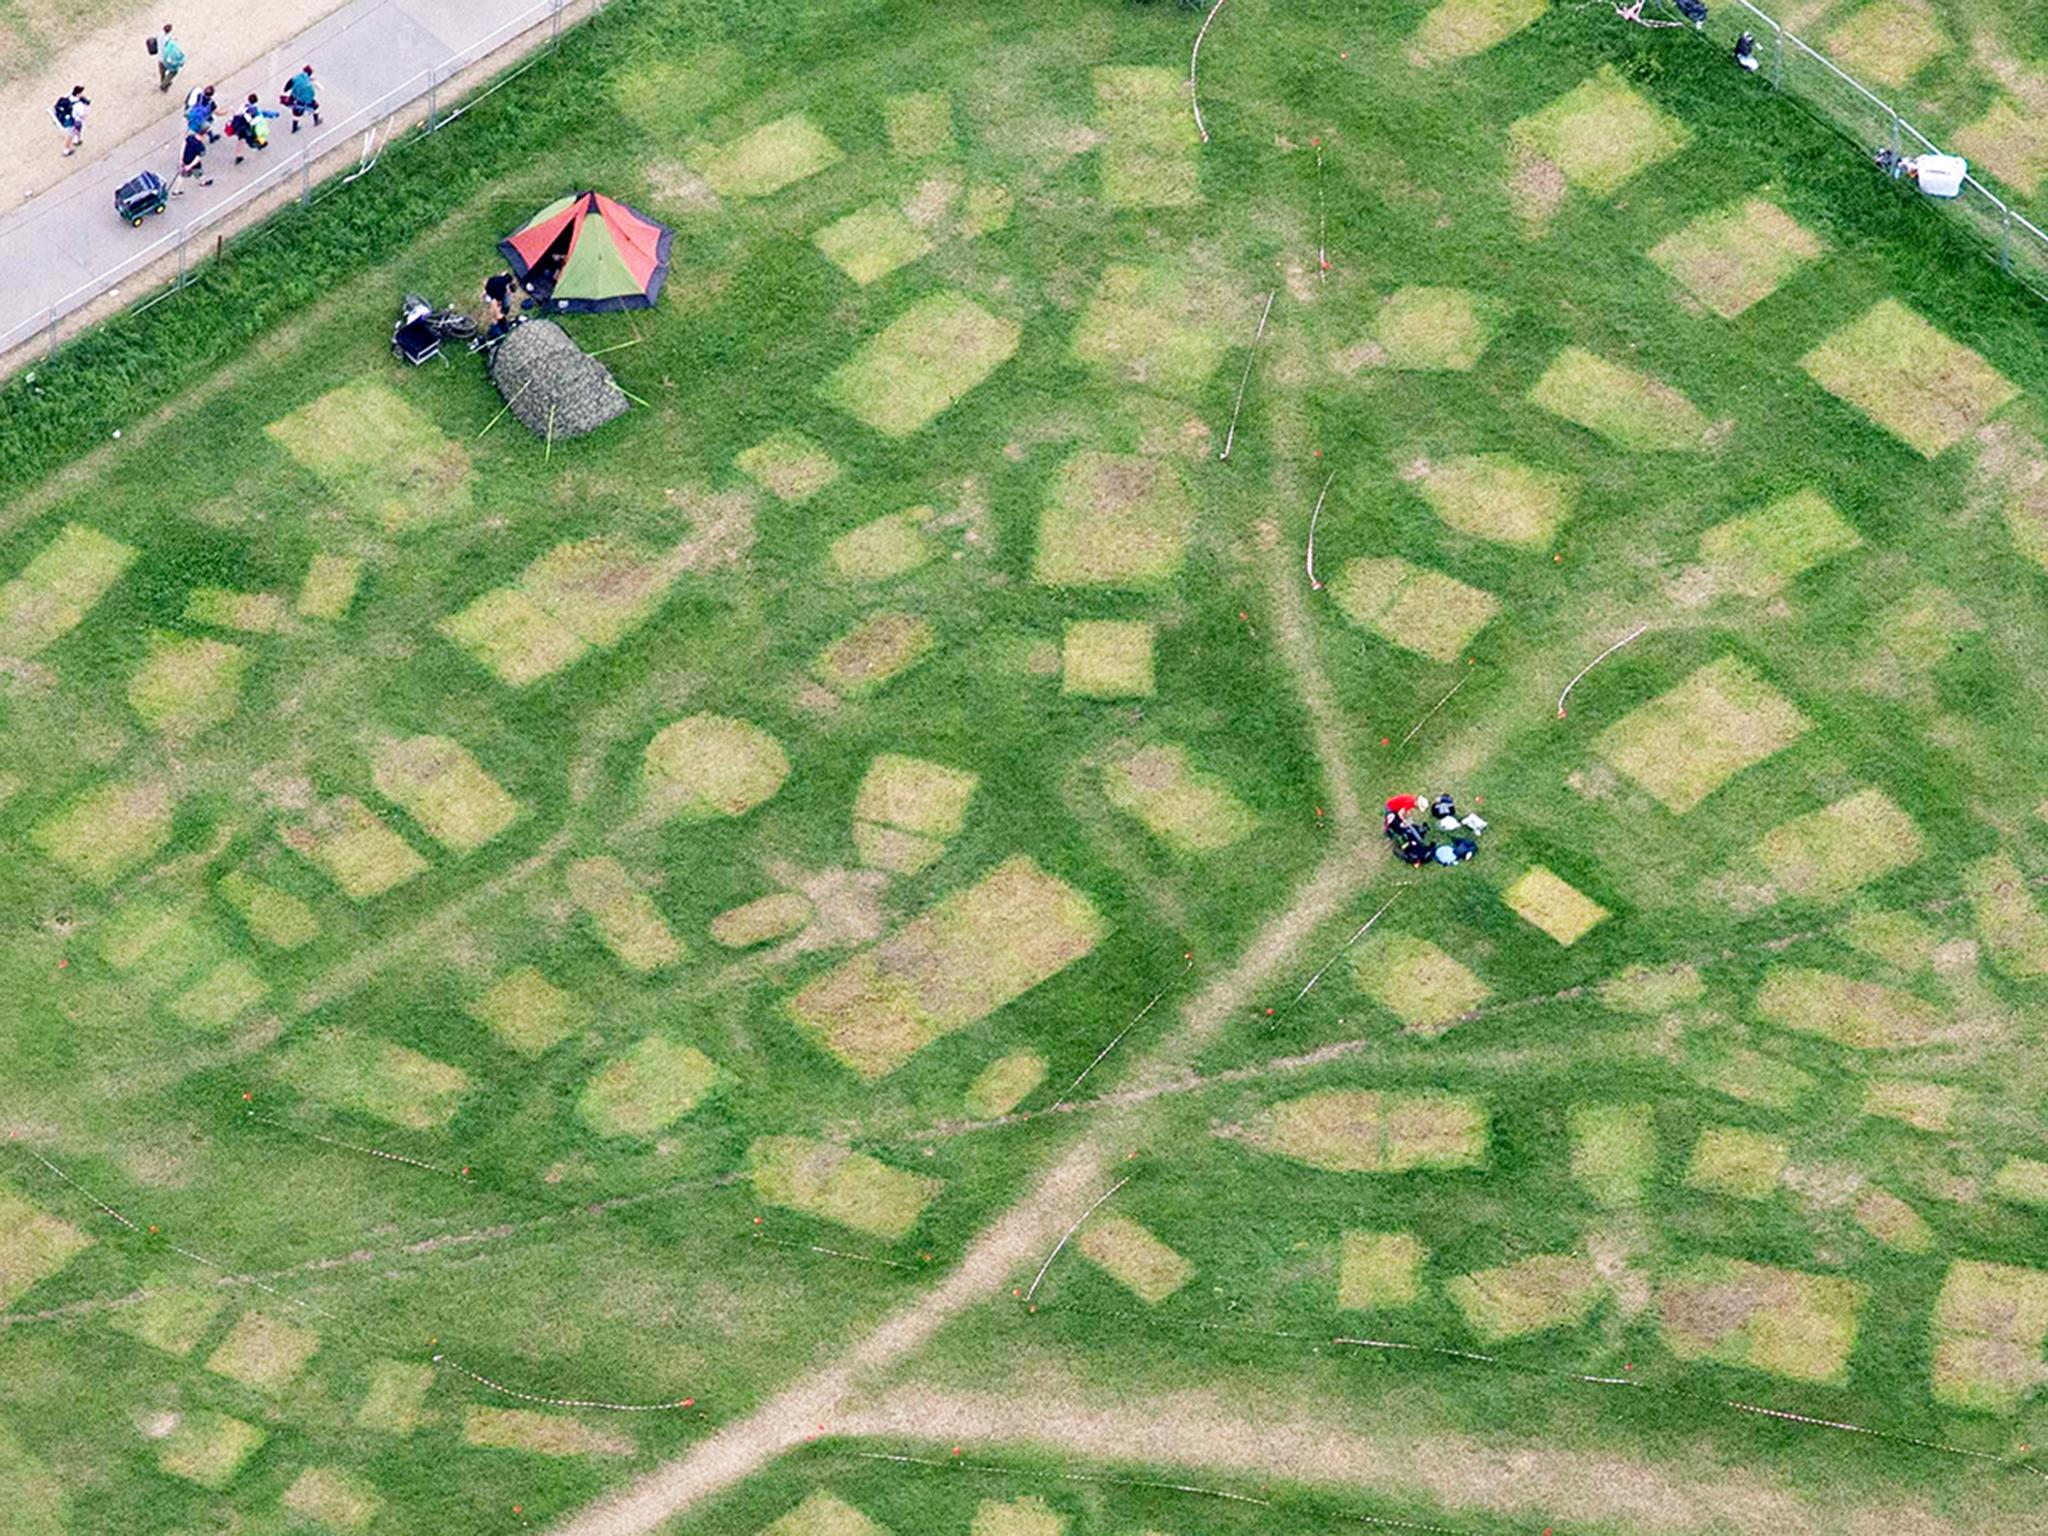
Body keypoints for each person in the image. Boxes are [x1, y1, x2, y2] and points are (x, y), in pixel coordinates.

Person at [226, 92, 277, 164]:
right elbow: (251, 121)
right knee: (252, 137)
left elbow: (237, 114)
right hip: (245, 126)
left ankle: (238, 156)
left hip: (238, 125)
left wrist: (233, 111)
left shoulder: (243, 106)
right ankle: (259, 144)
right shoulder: (253, 110)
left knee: (241, 140)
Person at [482, 269, 519, 340]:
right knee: (496, 307)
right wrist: (498, 312)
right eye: (509, 292)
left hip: (492, 282)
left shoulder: (507, 279)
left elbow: (505, 273)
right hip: (491, 290)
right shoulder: (499, 291)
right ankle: (495, 321)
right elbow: (497, 301)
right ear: (507, 288)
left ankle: (501, 314)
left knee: (505, 303)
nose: (509, 294)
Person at [52, 86, 89, 156]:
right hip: (73, 121)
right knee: (70, 136)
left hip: (70, 118)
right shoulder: (79, 105)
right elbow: (82, 115)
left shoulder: (69, 97)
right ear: (78, 94)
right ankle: (66, 150)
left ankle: (77, 140)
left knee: (77, 130)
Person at [282, 64, 320, 131]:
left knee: (296, 113)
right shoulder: (308, 84)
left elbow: (290, 82)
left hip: (294, 96)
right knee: (315, 106)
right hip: (304, 100)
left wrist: (285, 90)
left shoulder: (297, 77)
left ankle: (295, 128)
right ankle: (316, 120)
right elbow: (311, 94)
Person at [154, 23, 185, 93]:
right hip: (166, 59)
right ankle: (164, 84)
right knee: (174, 72)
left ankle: (164, 81)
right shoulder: (168, 40)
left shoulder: (160, 35)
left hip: (160, 58)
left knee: (162, 72)